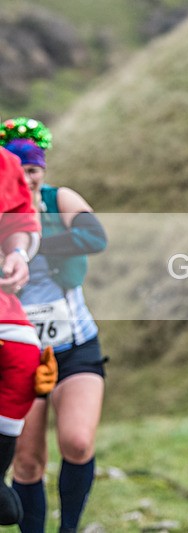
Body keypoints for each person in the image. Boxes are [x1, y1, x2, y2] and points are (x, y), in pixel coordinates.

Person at [1, 118, 108, 533]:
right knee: (27, 462)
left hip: (75, 341)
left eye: (32, 169)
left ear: (41, 169)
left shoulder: (57, 199)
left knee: (78, 441)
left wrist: (28, 242)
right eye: (17, 169)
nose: (25, 178)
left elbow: (94, 237)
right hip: (19, 347)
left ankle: (70, 529)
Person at [0, 141, 41, 526]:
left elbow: (19, 222)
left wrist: (17, 254)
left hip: (8, 319)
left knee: (22, 358)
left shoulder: (5, 163)